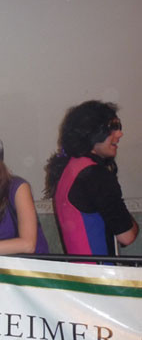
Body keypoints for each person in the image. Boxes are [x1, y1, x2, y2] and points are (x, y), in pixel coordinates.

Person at [44, 100, 138, 255]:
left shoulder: (69, 168)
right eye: (112, 128)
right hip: (99, 269)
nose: (119, 134)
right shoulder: (95, 175)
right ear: (91, 132)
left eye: (118, 127)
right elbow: (127, 236)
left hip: (82, 268)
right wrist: (133, 224)